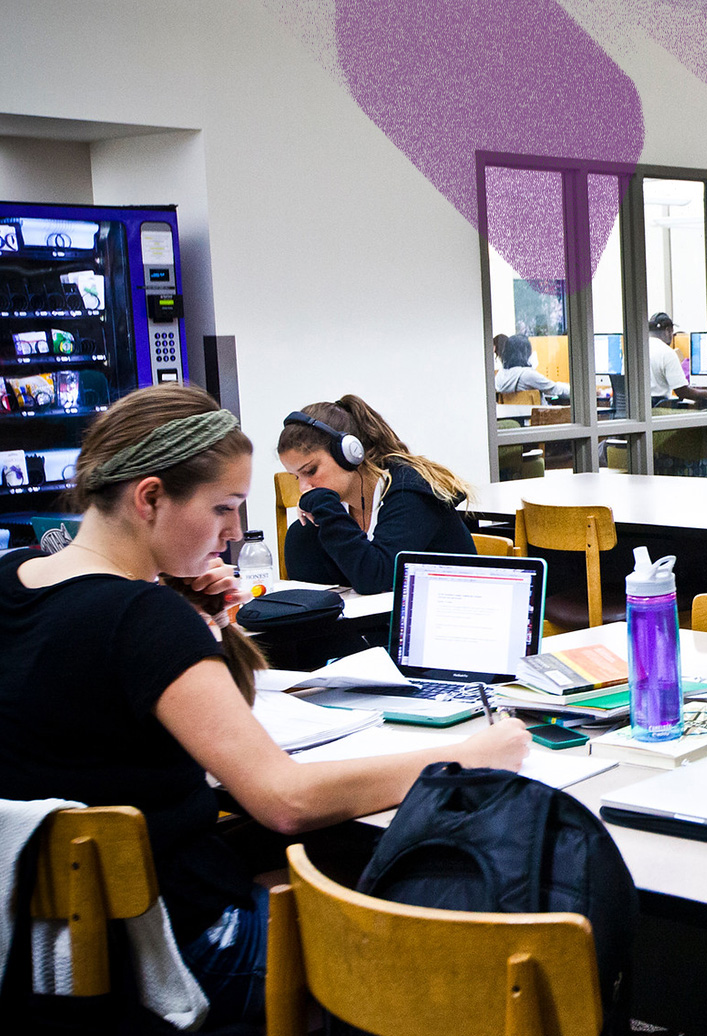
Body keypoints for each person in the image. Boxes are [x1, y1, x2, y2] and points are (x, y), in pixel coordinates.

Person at [0, 384, 529, 1026]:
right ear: (149, 498)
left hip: (46, 946)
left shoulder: (15, 580)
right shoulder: (142, 619)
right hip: (183, 948)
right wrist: (466, 757)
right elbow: (287, 800)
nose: (232, 533)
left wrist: (203, 626)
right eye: (224, 508)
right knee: (467, 950)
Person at [276, 395, 475, 594]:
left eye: (310, 471)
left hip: (450, 614)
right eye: (296, 477)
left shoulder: (410, 492)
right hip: (383, 620)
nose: (304, 487)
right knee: (301, 535)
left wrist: (326, 510)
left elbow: (374, 578)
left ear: (348, 454)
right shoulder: (336, 511)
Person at [645, 312, 707, 408]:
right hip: (657, 409)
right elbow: (682, 392)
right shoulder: (666, 352)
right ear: (667, 331)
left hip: (635, 410)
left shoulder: (636, 351)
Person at [494, 333, 568, 402]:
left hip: (513, 415)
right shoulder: (527, 374)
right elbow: (553, 388)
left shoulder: (500, 375)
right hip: (538, 415)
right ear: (525, 353)